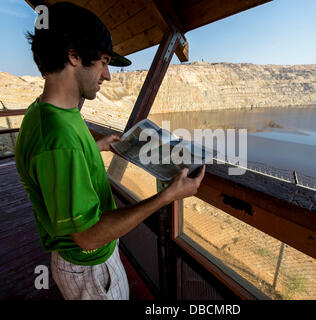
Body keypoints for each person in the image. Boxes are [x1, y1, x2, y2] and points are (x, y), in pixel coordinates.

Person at [14, 2, 205, 300]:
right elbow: (88, 237)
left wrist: (96, 146)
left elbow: (63, 159)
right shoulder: (58, 139)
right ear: (73, 55)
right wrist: (167, 196)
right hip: (89, 270)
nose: (108, 75)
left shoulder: (45, 112)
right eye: (103, 61)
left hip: (85, 265)